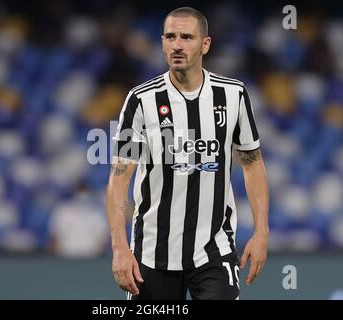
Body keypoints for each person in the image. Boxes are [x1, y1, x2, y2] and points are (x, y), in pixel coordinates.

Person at [106, 7, 269, 300]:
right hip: (153, 252)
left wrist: (261, 232)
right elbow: (119, 177)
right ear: (162, 42)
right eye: (170, 36)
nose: (177, 44)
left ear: (205, 44)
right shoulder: (141, 101)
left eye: (186, 37)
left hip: (213, 249)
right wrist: (119, 248)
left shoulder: (233, 95)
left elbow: (252, 164)